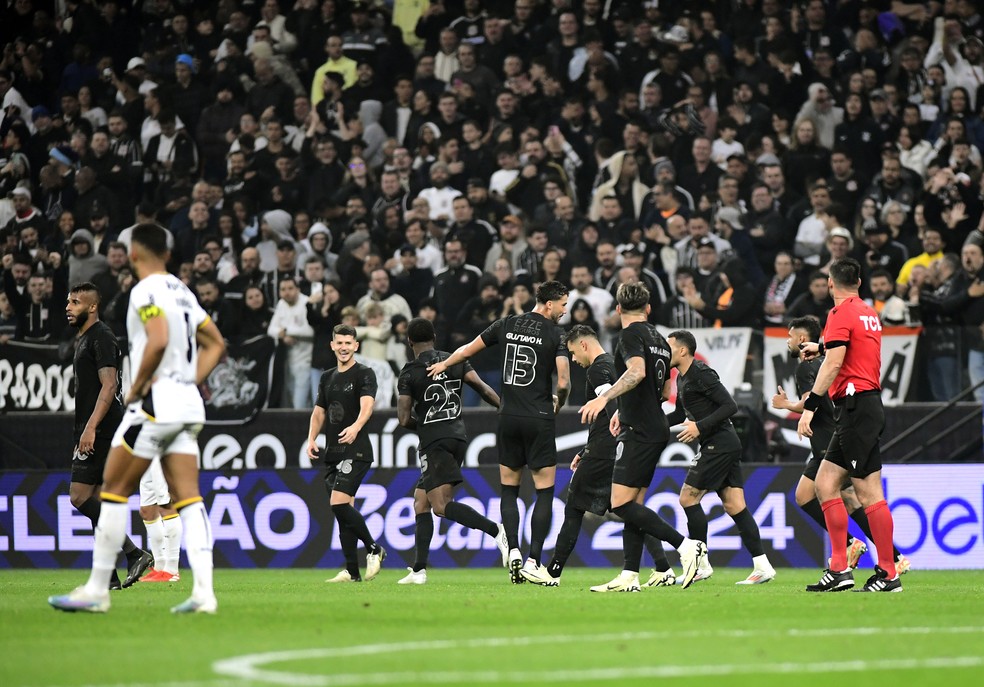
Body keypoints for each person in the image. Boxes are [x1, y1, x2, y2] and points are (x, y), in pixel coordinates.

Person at [49, 224, 225, 614]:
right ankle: (204, 595)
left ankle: (97, 589)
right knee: (189, 498)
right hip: (187, 404)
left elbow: (158, 338)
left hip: (155, 404)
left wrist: (144, 385)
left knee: (110, 491)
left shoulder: (145, 290)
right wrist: (188, 381)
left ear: (133, 254)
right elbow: (216, 343)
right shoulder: (182, 290)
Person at [426, 281, 571, 584]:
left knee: (509, 489)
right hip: (539, 417)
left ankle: (513, 550)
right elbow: (563, 382)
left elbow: (467, 350)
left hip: (507, 416)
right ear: (549, 304)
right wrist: (559, 403)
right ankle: (533, 560)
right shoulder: (556, 334)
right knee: (544, 490)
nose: (564, 310)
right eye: (563, 304)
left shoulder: (506, 324)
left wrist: (444, 364)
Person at [521, 325, 678, 589]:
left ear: (583, 345)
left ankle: (553, 571)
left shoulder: (598, 368)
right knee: (629, 510)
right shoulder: (617, 365)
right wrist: (585, 450)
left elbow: (611, 409)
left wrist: (595, 449)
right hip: (617, 444)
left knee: (574, 506)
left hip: (607, 448)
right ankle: (663, 567)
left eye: (572, 353)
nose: (573, 360)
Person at [579, 282, 706, 592]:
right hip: (652, 425)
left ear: (618, 309)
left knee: (619, 503)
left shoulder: (630, 335)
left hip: (640, 431)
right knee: (634, 502)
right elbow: (663, 390)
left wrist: (605, 398)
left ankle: (686, 547)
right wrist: (626, 409)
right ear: (648, 308)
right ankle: (629, 575)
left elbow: (636, 373)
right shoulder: (661, 340)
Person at [773, 317, 909, 575]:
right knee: (811, 496)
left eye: (790, 336)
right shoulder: (824, 362)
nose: (788, 341)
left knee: (851, 497)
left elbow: (807, 401)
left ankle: (888, 555)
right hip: (829, 436)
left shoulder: (805, 367)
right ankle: (859, 546)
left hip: (827, 440)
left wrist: (787, 406)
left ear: (802, 340)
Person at [798, 258, 903, 592]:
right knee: (826, 483)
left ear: (830, 283)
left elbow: (834, 364)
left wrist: (810, 407)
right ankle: (840, 568)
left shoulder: (838, 314)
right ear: (859, 282)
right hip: (863, 406)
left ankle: (889, 572)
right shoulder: (868, 312)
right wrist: (822, 345)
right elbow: (848, 347)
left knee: (867, 491)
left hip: (856, 408)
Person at [396, 318, 509, 584]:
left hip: (434, 442)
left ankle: (496, 531)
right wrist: (505, 409)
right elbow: (482, 388)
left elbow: (403, 419)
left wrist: (424, 427)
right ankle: (419, 570)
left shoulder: (410, 371)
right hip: (458, 436)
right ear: (434, 337)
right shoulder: (454, 359)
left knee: (440, 507)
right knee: (420, 501)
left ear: (409, 341)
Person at [666, 330, 777, 585]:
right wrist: (651, 425)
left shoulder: (702, 373)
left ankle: (700, 564)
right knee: (734, 505)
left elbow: (730, 406)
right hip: (721, 444)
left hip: (720, 443)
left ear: (683, 350)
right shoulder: (682, 379)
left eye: (670, 347)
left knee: (688, 497)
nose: (666, 351)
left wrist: (699, 427)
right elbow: (679, 414)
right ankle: (763, 566)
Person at [64, 282, 152, 591]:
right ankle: (108, 577)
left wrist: (89, 427)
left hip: (101, 428)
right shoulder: (86, 338)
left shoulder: (100, 336)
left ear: (92, 307)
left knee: (79, 496)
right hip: (97, 426)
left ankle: (134, 552)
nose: (68, 306)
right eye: (68, 301)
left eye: (75, 302)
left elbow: (109, 385)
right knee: (96, 503)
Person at [306, 324, 386, 583]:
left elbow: (368, 405)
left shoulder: (364, 373)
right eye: (339, 343)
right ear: (332, 345)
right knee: (344, 513)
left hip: (357, 449)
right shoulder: (327, 377)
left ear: (356, 346)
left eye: (348, 343)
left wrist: (356, 426)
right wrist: (311, 439)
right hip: (333, 452)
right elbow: (319, 411)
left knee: (338, 503)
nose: (343, 347)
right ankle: (353, 572)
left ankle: (374, 548)